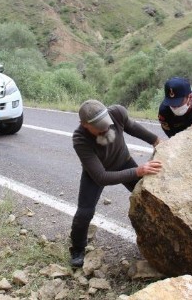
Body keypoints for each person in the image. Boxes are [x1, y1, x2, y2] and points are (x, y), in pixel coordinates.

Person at [70, 100, 162, 267]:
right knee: (84, 213)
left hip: (124, 162)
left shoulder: (117, 113)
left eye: (106, 124)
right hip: (97, 173)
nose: (105, 129)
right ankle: (77, 249)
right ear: (84, 125)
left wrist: (155, 140)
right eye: (99, 127)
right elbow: (101, 177)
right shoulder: (80, 139)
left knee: (150, 198)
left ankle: (159, 238)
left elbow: (133, 127)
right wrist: (137, 171)